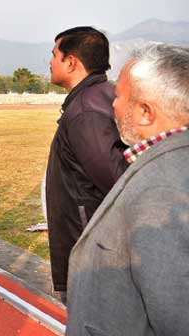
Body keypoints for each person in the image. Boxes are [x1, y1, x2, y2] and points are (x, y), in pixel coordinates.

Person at [66, 44, 189, 336]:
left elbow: (176, 316)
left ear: (146, 112)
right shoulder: (166, 165)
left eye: (119, 96)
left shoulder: (162, 190)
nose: (113, 106)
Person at [45, 26, 128, 302]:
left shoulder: (85, 111)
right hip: (97, 243)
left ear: (71, 62)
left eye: (54, 55)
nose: (50, 61)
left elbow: (117, 182)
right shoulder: (99, 95)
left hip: (91, 247)